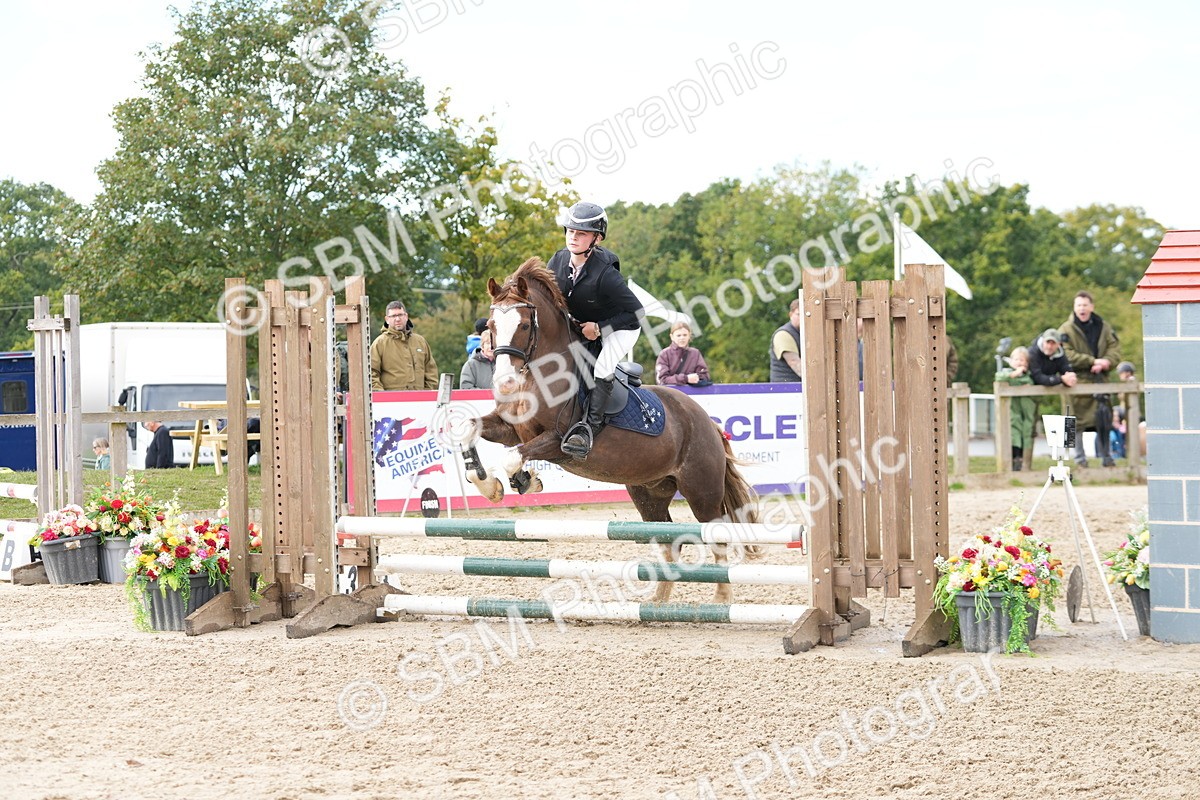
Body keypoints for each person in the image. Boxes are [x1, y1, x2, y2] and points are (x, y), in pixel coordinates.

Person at [548, 201, 643, 458]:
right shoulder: (557, 261)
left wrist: (600, 328)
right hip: (583, 326)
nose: (573, 237)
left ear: (597, 238)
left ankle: (590, 427)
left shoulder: (606, 274)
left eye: (581, 233)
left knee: (602, 367)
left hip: (620, 328)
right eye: (570, 231)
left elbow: (637, 313)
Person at [1058, 291, 1120, 467]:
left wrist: (1106, 362)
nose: (1082, 308)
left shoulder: (1104, 327)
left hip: (1100, 380)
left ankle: (1107, 457)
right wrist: (1092, 361)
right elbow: (1066, 354)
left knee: (1104, 420)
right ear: (1074, 307)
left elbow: (1115, 348)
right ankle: (1079, 460)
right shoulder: (1065, 329)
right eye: (1078, 305)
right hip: (1076, 381)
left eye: (1085, 305)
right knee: (1073, 423)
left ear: (1091, 307)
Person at [370, 301, 439, 391]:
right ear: (387, 319)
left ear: (406, 316)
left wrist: (427, 395)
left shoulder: (420, 341)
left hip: (421, 401)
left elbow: (431, 373)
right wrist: (382, 397)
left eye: (400, 315)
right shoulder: (379, 343)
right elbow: (370, 373)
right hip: (392, 402)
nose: (398, 319)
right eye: (393, 316)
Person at [996, 347, 1036, 471]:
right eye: (1016, 359)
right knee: (1014, 433)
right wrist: (1014, 374)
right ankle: (1015, 458)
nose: (1019, 362)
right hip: (1013, 410)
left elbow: (1030, 383)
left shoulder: (1029, 376)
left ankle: (1024, 462)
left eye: (1022, 360)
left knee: (1026, 433)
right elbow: (999, 377)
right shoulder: (1007, 373)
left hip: (1026, 410)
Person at [656, 321, 711, 386]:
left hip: (692, 394)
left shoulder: (695, 353)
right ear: (672, 337)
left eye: (685, 335)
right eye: (678, 335)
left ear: (689, 335)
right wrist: (686, 379)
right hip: (669, 394)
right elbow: (662, 380)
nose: (682, 338)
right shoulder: (664, 354)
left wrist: (696, 378)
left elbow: (705, 376)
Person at [769, 298, 803, 382]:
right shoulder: (783, 335)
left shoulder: (807, 333)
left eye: (806, 314)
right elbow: (794, 362)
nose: (803, 318)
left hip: (798, 388)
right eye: (799, 314)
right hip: (785, 390)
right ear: (790, 315)